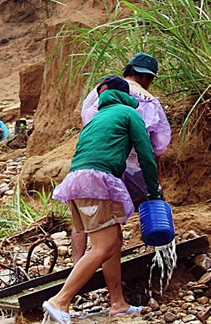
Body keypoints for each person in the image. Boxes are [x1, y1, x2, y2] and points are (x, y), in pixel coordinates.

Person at [43, 76, 163, 324]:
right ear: (126, 94)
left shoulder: (96, 118)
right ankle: (60, 300)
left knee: (114, 240)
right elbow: (146, 155)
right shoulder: (129, 114)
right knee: (103, 246)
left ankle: (118, 303)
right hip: (98, 182)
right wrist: (154, 192)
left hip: (76, 182)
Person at [72, 52, 171, 262]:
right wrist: (155, 185)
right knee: (147, 205)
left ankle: (76, 262)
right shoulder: (149, 101)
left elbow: (88, 118)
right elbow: (158, 145)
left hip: (98, 161)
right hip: (133, 167)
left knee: (84, 217)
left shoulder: (102, 90)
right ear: (147, 77)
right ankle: (158, 253)